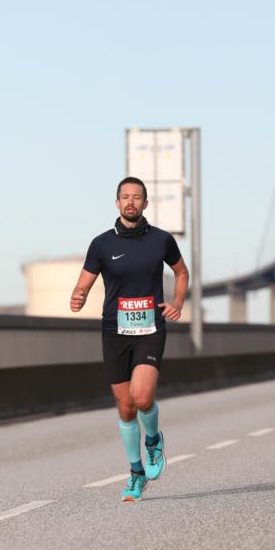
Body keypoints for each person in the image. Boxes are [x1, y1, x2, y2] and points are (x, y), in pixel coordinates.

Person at [70, 177, 189, 501]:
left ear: (145, 204)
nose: (131, 202)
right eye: (125, 197)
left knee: (142, 397)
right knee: (124, 406)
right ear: (117, 203)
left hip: (150, 328)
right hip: (114, 330)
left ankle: (153, 441)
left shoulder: (162, 240)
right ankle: (136, 472)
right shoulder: (102, 244)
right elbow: (84, 282)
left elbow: (181, 272)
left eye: (137, 197)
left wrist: (177, 302)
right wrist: (78, 295)